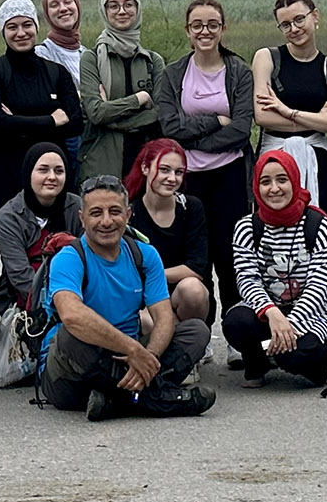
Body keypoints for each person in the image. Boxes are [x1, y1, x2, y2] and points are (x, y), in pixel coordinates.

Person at [41, 174, 216, 420]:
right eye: (96, 213)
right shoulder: (69, 258)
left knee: (196, 331)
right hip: (72, 373)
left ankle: (116, 399)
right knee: (69, 336)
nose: (106, 221)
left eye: (114, 211)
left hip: (129, 358)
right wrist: (133, 350)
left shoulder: (144, 254)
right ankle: (157, 397)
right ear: (82, 218)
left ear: (128, 214)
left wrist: (149, 356)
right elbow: (72, 316)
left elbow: (164, 317)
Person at [154, 0, 254, 311]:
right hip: (188, 177)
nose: (204, 31)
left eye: (212, 24)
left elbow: (240, 130)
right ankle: (200, 327)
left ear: (223, 28)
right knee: (196, 253)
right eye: (197, 25)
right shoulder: (173, 74)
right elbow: (169, 126)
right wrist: (214, 121)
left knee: (230, 253)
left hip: (230, 174)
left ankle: (236, 327)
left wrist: (194, 139)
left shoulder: (239, 71)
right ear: (188, 31)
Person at [222, 149, 327, 388]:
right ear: (256, 187)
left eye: (282, 180)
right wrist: (273, 314)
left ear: (294, 181)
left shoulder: (317, 223)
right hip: (270, 308)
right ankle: (258, 362)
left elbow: (318, 285)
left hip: (315, 309)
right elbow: (248, 281)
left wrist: (289, 326)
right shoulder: (247, 227)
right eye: (265, 182)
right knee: (235, 323)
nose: (274, 189)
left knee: (297, 355)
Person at [0, 0, 83, 234]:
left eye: (27, 25)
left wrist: (15, 120)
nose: (21, 33)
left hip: (53, 182)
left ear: (36, 27)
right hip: (8, 180)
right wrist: (50, 120)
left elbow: (75, 123)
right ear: (3, 31)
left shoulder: (56, 72)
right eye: (12, 27)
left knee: (61, 248)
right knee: (15, 256)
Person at [251, 0, 327, 218]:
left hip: (319, 161)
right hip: (273, 159)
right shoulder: (267, 58)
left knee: (317, 228)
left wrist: (287, 112)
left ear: (315, 16)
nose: (294, 29)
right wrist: (318, 120)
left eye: (299, 19)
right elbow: (263, 117)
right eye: (285, 25)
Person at [77, 0, 163, 185]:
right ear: (104, 11)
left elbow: (161, 113)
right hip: (102, 162)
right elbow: (96, 113)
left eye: (128, 4)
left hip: (145, 163)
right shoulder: (91, 60)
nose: (122, 11)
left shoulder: (153, 61)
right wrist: (139, 100)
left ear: (137, 7)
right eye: (113, 6)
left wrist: (111, 116)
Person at [125, 139, 212, 326]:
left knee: (194, 289)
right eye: (164, 170)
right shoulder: (129, 213)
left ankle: (192, 339)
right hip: (143, 296)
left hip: (179, 293)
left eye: (179, 172)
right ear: (145, 168)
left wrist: (155, 272)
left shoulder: (191, 207)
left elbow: (197, 268)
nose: (172, 178)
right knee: (146, 322)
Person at [0, 141, 84, 307]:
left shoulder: (78, 207)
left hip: (78, 291)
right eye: (43, 170)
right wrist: (58, 304)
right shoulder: (9, 216)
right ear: (29, 173)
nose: (52, 177)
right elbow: (20, 276)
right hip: (25, 299)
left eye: (59, 171)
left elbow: (89, 259)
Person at [36, 0, 87, 91]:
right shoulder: (41, 55)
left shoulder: (88, 55)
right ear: (47, 13)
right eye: (54, 5)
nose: (63, 8)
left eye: (68, 2)